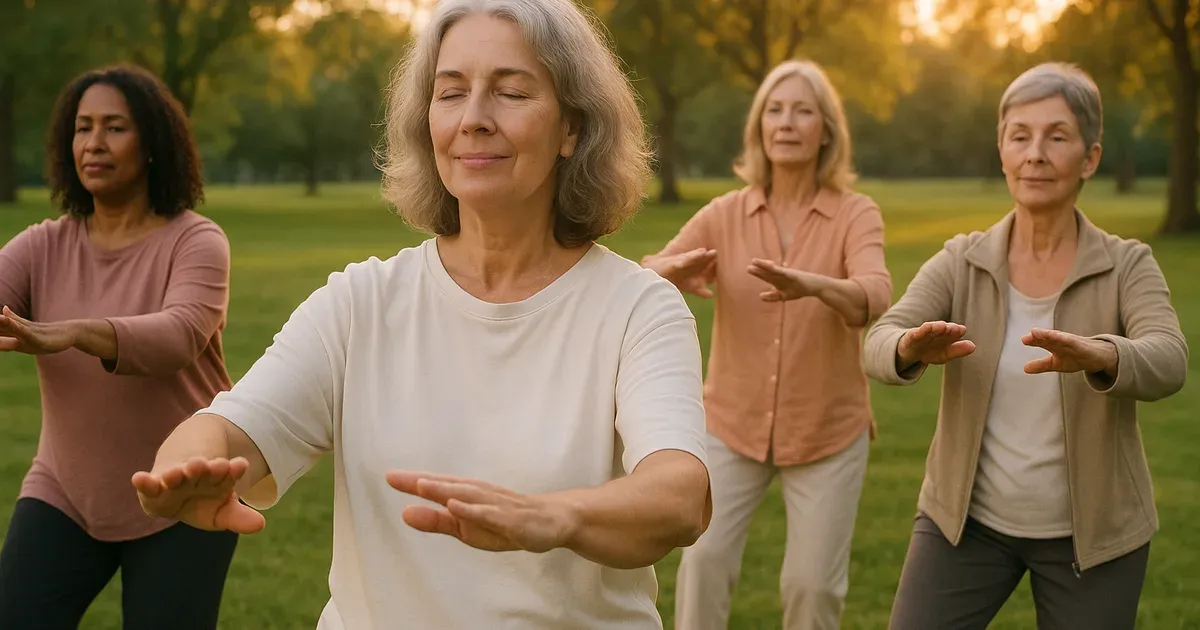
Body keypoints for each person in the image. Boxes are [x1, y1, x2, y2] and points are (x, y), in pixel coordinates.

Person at [130, 0, 712, 628]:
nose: (474, 119)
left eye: (511, 92)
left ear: (572, 128)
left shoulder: (637, 307)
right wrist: (187, 465)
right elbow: (229, 428)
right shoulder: (360, 303)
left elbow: (680, 495)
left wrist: (553, 517)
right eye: (450, 93)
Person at [863, 62, 1189, 630]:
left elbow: (1170, 358)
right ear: (1002, 151)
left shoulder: (1127, 264)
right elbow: (878, 342)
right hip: (965, 527)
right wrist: (908, 349)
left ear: (1090, 158)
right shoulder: (962, 260)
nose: (1035, 154)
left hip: (1095, 536)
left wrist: (1105, 355)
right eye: (1020, 136)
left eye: (1056, 137)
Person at [643, 59, 893, 630]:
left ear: (826, 130)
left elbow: (876, 295)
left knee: (811, 587)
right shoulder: (726, 213)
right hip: (731, 424)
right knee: (702, 561)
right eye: (774, 111)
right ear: (758, 127)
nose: (786, 122)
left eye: (803, 111)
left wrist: (815, 286)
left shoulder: (855, 213)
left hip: (828, 430)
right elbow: (648, 271)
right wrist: (668, 270)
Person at [0, 65, 237, 628]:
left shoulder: (196, 240)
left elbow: (178, 336)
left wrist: (75, 331)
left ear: (151, 143)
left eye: (114, 127)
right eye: (83, 128)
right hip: (64, 490)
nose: (94, 143)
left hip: (183, 492)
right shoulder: (42, 245)